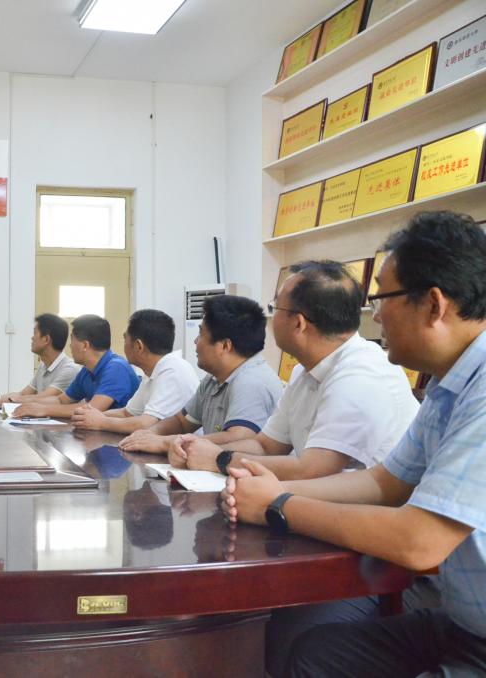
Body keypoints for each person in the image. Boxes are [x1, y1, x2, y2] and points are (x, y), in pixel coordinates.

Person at [221, 211, 486, 677]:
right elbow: (384, 483)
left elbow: (420, 542)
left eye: (382, 298)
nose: (375, 316)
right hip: (463, 625)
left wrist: (278, 505)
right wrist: (270, 491)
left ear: (434, 304)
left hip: (471, 633)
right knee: (312, 653)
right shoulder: (449, 386)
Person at [172, 260, 419, 480]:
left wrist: (220, 460)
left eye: (275, 308)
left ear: (298, 323)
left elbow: (312, 471)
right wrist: (197, 448)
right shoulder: (304, 372)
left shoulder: (359, 374)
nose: (270, 318)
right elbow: (266, 446)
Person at [118, 295, 282, 454]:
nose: (195, 341)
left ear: (225, 346)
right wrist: (150, 434)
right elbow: (181, 422)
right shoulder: (213, 379)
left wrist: (165, 443)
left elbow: (238, 438)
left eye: (201, 334)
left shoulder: (251, 381)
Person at [71, 309, 198, 433]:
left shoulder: (172, 370)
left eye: (125, 339)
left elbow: (146, 424)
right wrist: (89, 415)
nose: (124, 345)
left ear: (138, 346)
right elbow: (127, 413)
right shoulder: (153, 372)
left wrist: (101, 421)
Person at [13, 314, 140, 419]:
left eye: (72, 340)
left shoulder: (116, 368)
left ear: (85, 345)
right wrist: (26, 402)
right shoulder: (87, 371)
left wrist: (44, 409)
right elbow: (61, 400)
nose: (70, 346)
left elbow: (92, 409)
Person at [0, 313, 80, 404]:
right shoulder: (43, 366)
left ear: (46, 339)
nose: (32, 338)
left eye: (34, 333)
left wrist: (12, 400)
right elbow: (22, 394)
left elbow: (41, 398)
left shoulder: (70, 369)